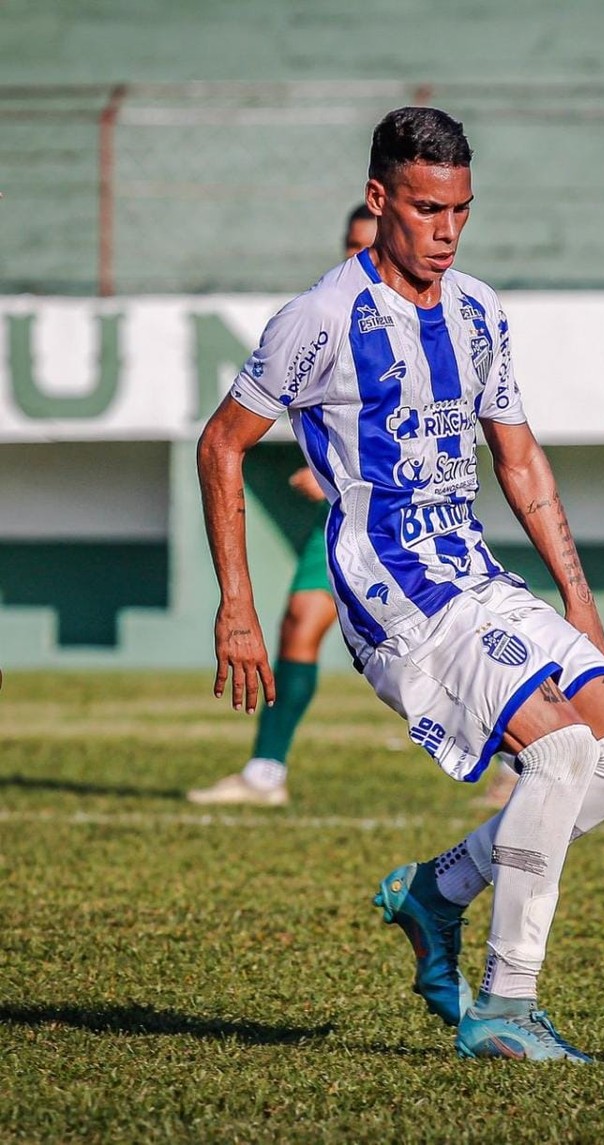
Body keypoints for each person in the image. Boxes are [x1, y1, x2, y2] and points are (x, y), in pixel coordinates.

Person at [196, 106, 604, 1062]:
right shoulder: (319, 319)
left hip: (478, 575)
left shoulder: (480, 310)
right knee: (564, 753)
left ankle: (437, 891)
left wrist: (577, 595)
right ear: (379, 202)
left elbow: (519, 458)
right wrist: (236, 604)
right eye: (424, 208)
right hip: (394, 595)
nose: (445, 231)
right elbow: (222, 443)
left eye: (459, 210)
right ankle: (504, 1006)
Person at [187, 204, 377, 806]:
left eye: (368, 244)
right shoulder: (326, 318)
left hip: (399, 522)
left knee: (428, 654)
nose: (357, 255)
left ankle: (524, 755)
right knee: (299, 622)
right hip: (342, 521)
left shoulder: (425, 321)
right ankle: (265, 774)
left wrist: (347, 478)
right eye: (351, 243)